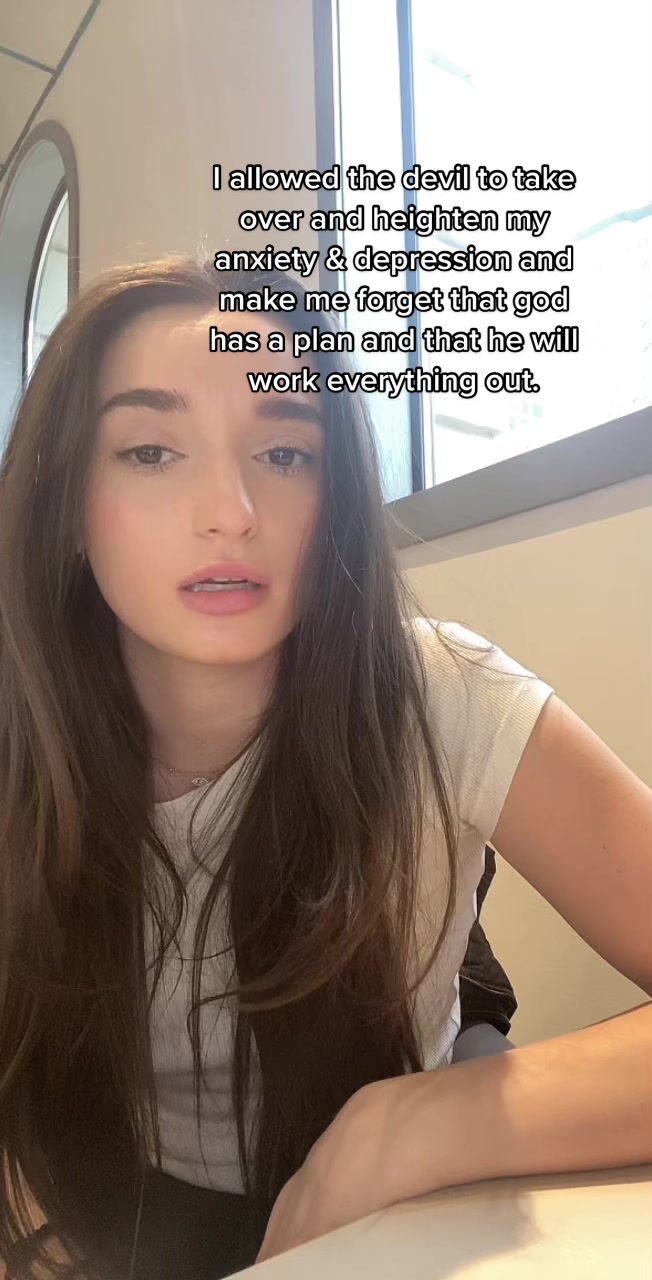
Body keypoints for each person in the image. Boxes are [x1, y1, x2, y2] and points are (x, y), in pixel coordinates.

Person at [1, 258, 650, 1280]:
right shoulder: (21, 732)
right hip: (119, 1206)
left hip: (398, 1206)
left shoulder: (443, 694)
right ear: (68, 507)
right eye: (151, 449)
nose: (231, 511)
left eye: (285, 452)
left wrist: (417, 1123)